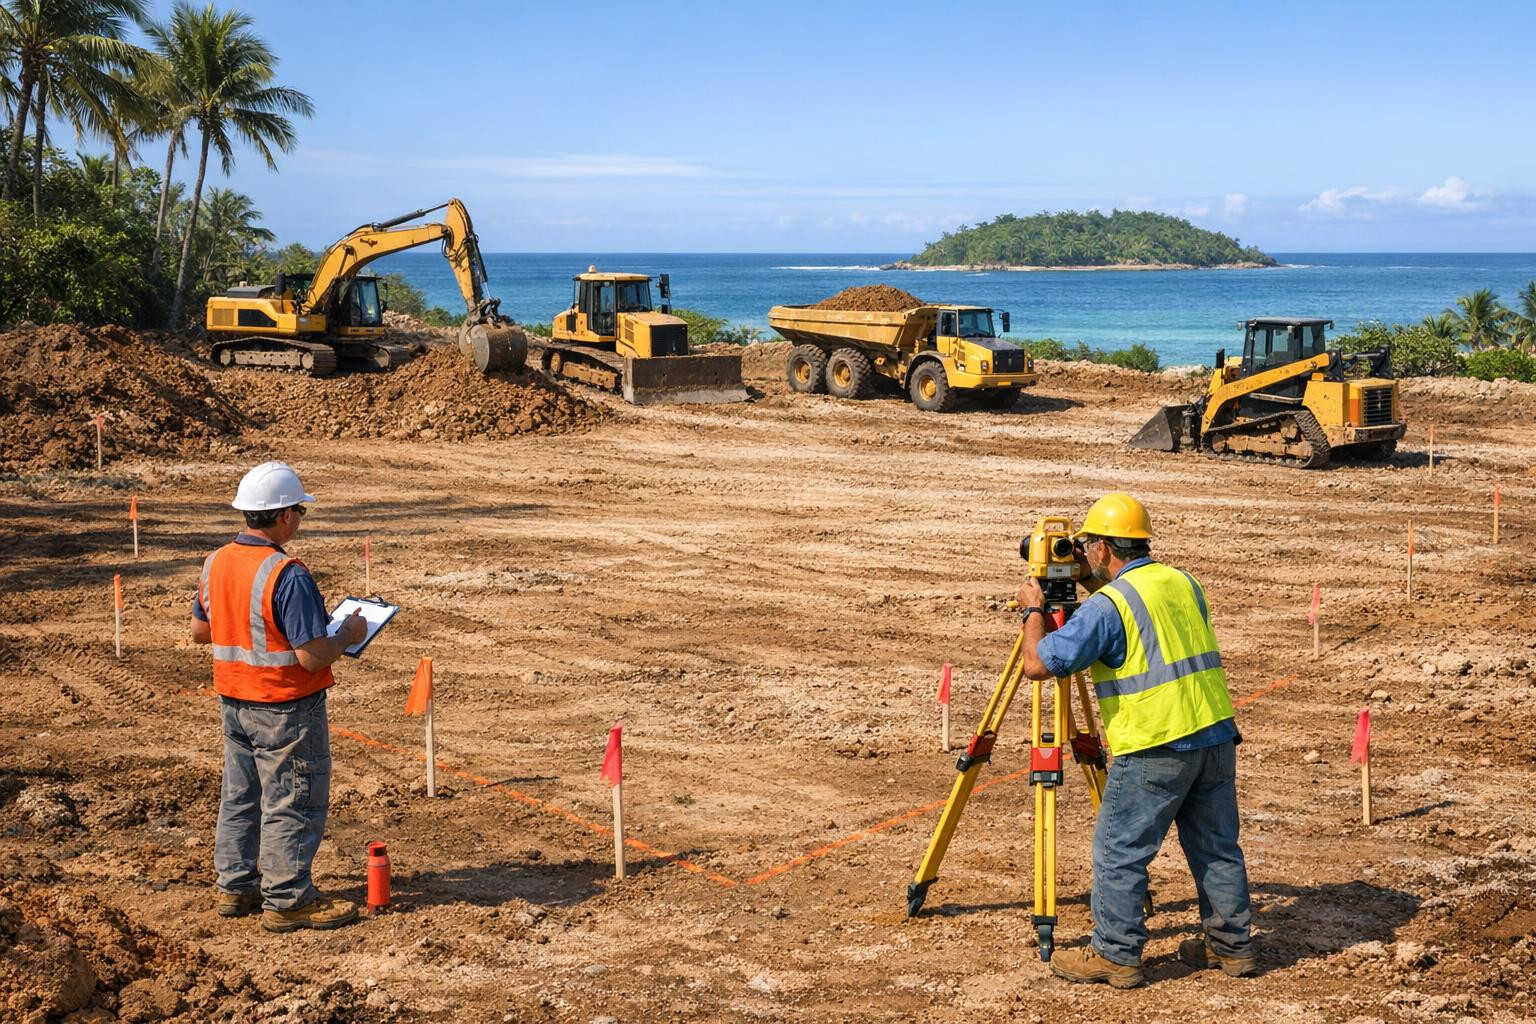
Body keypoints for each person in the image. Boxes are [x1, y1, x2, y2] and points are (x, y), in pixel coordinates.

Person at [1015, 492, 1256, 988]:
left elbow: (1037, 664)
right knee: (1216, 847)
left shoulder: (1108, 606)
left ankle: (1117, 955)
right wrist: (1087, 579)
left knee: (1119, 850)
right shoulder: (1183, 582)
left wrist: (1033, 611)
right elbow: (1148, 624)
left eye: (1086, 547)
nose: (1080, 554)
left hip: (1155, 743)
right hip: (1213, 734)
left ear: (1102, 547)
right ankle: (1232, 948)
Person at [192, 461, 367, 933]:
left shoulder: (215, 562)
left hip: (234, 701)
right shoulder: (286, 573)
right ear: (286, 515)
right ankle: (288, 899)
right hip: (286, 706)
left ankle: (237, 885)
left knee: (241, 795)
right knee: (292, 797)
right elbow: (312, 657)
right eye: (300, 513)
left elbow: (199, 631)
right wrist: (348, 633)